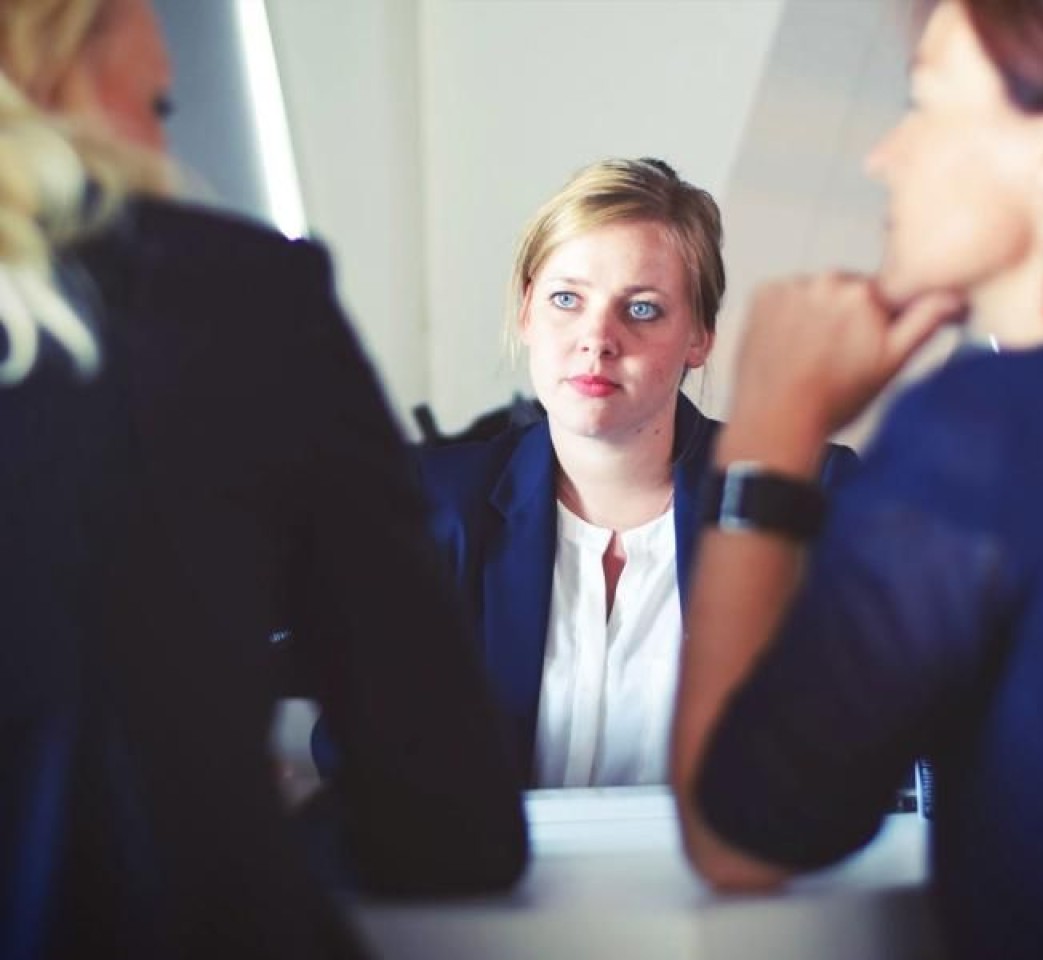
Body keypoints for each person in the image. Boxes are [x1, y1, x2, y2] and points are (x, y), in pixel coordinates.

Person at [673, 0, 1043, 957]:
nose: (886, 156)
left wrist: (771, 427)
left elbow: (739, 833)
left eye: (926, 104)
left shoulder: (994, 430)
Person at [0, 1, 526, 958]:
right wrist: (237, 811)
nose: (163, 145)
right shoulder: (239, 302)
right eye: (158, 103)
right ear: (54, 62)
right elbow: (452, 820)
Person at [413, 157, 859, 788]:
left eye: (643, 309)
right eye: (566, 299)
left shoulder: (810, 495)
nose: (597, 338)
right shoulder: (432, 506)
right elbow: (360, 762)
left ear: (699, 337)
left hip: (729, 885)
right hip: (492, 885)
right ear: (526, 315)